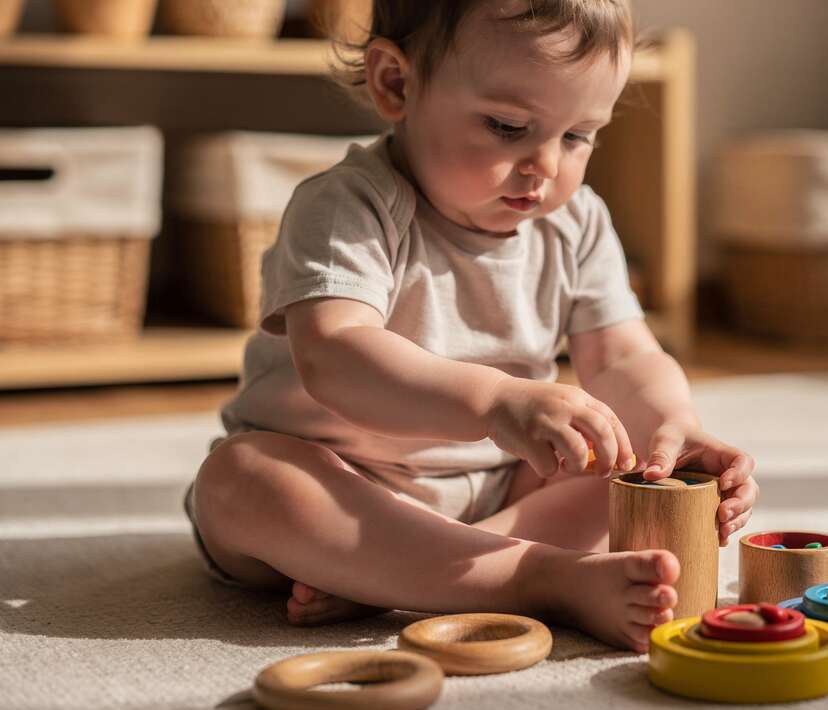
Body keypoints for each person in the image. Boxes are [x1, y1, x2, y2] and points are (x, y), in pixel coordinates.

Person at [185, 0, 757, 653]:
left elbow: (624, 356)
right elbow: (336, 355)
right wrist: (494, 402)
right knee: (241, 481)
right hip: (340, 487)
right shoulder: (348, 205)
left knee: (630, 471)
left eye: (578, 136)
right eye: (509, 126)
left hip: (497, 493)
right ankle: (535, 577)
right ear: (396, 84)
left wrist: (673, 429)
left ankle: (407, 573)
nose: (546, 165)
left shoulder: (579, 222)